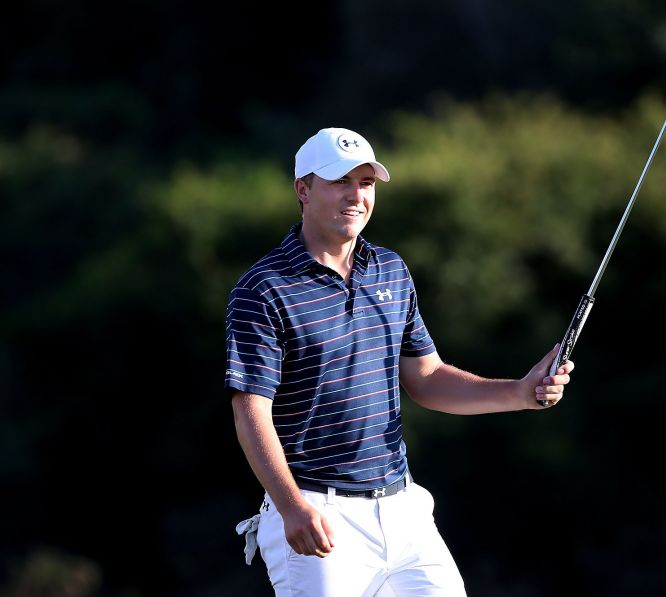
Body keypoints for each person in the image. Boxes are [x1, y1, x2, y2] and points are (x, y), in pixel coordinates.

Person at [226, 127, 573, 596]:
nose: (356, 196)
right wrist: (290, 506)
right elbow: (251, 411)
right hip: (316, 512)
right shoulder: (263, 289)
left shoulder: (390, 269)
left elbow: (426, 378)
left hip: (403, 508)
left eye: (366, 183)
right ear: (302, 190)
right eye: (340, 182)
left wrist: (518, 392)